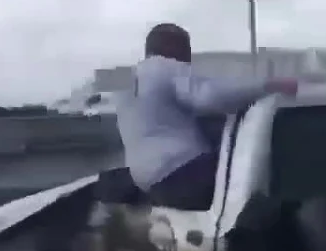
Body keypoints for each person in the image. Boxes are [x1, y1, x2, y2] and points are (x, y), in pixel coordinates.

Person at [124, 23, 298, 211]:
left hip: (152, 185)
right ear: (172, 47)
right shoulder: (166, 67)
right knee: (275, 172)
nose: (188, 57)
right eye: (186, 48)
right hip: (183, 174)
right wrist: (269, 86)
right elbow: (209, 97)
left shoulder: (131, 80)